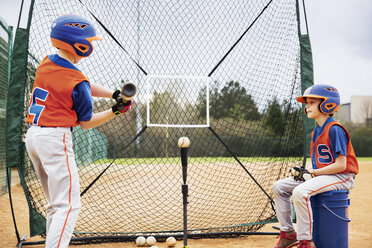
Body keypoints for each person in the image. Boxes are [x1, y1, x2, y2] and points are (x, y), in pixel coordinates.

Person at [25, 14, 132, 248]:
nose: (91, 44)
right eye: (88, 40)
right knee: (68, 206)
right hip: (55, 140)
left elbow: (82, 83)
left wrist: (113, 95)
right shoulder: (77, 80)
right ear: (78, 44)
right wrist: (115, 111)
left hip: (33, 137)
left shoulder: (46, 62)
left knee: (56, 203)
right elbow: (86, 122)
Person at [272, 84, 358, 248]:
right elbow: (318, 164)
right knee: (279, 186)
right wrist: (307, 172)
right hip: (326, 176)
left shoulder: (335, 129)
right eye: (307, 103)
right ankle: (289, 233)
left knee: (300, 191)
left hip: (342, 177)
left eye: (312, 102)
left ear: (328, 104)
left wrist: (313, 173)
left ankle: (305, 241)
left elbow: (341, 165)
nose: (307, 106)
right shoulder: (316, 131)